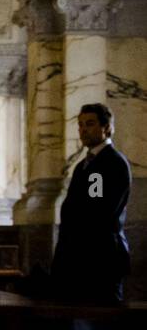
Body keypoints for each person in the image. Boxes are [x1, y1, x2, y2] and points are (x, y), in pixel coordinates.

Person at [50, 102, 131, 303]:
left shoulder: (108, 163)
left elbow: (95, 210)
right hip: (83, 258)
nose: (83, 130)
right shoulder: (85, 165)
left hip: (99, 260)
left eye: (90, 124)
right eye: (80, 125)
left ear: (106, 128)